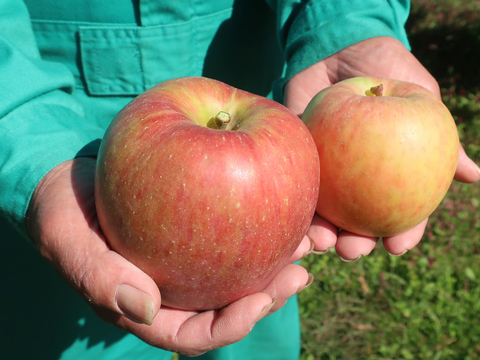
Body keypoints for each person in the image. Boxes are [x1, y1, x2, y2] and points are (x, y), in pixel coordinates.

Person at [1, 0, 478, 359]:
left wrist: (343, 21)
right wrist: (26, 141)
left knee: (256, 335)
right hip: (72, 125)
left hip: (267, 155)